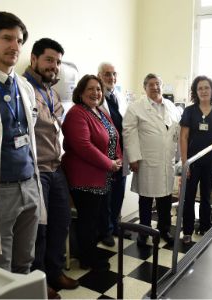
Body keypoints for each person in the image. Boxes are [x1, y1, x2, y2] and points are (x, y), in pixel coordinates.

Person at [0, 11, 46, 274]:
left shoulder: (24, 87)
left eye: (19, 40)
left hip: (29, 185)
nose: (15, 46)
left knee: (25, 261)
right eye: (7, 38)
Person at [23, 38, 78, 298]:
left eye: (57, 62)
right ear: (33, 59)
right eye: (49, 60)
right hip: (37, 171)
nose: (54, 66)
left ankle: (55, 272)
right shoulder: (23, 88)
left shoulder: (52, 92)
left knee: (61, 222)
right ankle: (40, 280)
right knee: (39, 229)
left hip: (56, 168)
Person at [62, 75, 122, 271]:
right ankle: (87, 259)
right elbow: (83, 146)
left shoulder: (98, 111)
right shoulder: (77, 113)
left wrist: (118, 159)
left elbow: (113, 136)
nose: (95, 93)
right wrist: (109, 164)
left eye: (98, 89)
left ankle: (89, 252)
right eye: (90, 89)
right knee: (88, 220)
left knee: (95, 219)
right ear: (80, 92)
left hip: (102, 175)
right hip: (84, 177)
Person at [123, 73, 181, 246]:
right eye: (151, 85)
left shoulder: (171, 106)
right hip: (146, 161)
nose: (155, 87)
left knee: (165, 198)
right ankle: (143, 232)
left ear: (162, 86)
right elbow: (128, 133)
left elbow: (176, 132)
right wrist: (133, 158)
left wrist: (178, 158)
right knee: (146, 199)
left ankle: (164, 230)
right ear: (145, 88)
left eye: (158, 84)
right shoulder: (136, 107)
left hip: (166, 161)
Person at [179, 75, 212, 244]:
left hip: (211, 161)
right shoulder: (189, 111)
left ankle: (204, 227)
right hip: (193, 161)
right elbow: (183, 137)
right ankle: (187, 230)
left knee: (207, 197)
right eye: (200, 88)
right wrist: (185, 162)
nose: (203, 91)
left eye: (206, 88)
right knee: (189, 196)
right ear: (196, 92)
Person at [97, 62, 131, 247]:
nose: (111, 78)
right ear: (99, 75)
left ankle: (116, 225)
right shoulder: (97, 98)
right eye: (107, 74)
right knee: (107, 194)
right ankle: (106, 231)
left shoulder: (118, 97)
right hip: (107, 154)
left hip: (122, 152)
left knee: (119, 192)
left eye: (113, 74)